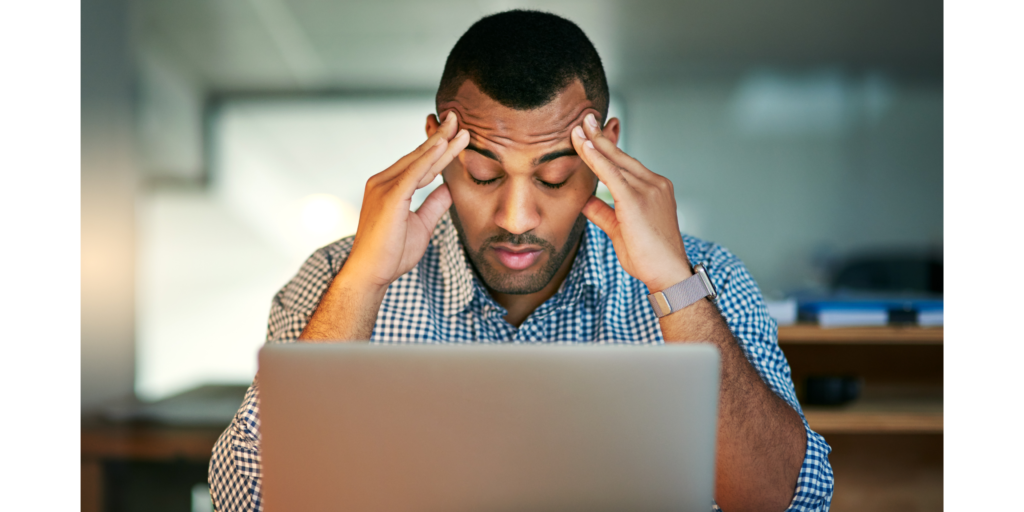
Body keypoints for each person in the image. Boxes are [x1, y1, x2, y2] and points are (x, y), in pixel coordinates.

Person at [209, 10, 833, 512]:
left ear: (604, 152)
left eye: (556, 178)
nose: (516, 217)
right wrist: (363, 285)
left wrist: (673, 284)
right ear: (436, 145)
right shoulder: (335, 279)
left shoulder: (706, 279)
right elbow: (250, 501)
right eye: (482, 174)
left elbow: (784, 501)